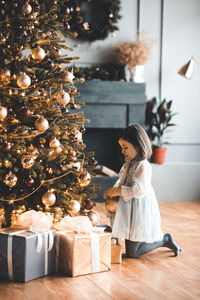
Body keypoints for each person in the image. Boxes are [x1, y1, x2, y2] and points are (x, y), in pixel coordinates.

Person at [103, 124, 181, 258]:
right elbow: (123, 181)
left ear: (138, 146)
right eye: (122, 147)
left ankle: (165, 240)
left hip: (139, 211)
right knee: (130, 243)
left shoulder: (143, 166)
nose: (123, 151)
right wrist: (112, 192)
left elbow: (138, 191)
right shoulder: (129, 163)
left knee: (133, 253)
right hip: (129, 210)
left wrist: (117, 192)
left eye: (125, 147)